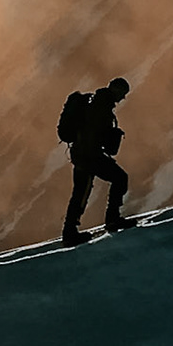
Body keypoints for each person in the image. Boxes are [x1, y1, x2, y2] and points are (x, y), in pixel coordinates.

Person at [61, 78, 135, 245]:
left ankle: (70, 231)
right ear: (116, 91)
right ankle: (111, 220)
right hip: (89, 156)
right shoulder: (101, 106)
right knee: (119, 178)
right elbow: (93, 134)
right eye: (122, 94)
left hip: (82, 154)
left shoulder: (97, 102)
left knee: (80, 192)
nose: (122, 98)